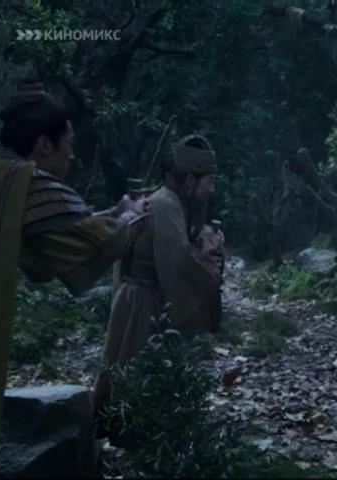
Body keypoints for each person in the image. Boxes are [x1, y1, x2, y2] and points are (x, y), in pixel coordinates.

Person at [0, 80, 146, 478]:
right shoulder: (27, 181)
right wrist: (130, 219)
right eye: (69, 144)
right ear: (44, 145)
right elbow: (89, 244)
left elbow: (46, 236)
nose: (72, 155)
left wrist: (112, 213)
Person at [94, 134, 224, 431]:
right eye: (209, 181)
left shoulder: (171, 201)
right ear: (190, 180)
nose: (211, 189)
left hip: (149, 296)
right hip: (144, 302)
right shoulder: (166, 203)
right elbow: (179, 260)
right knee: (133, 379)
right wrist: (210, 264)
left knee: (130, 377)